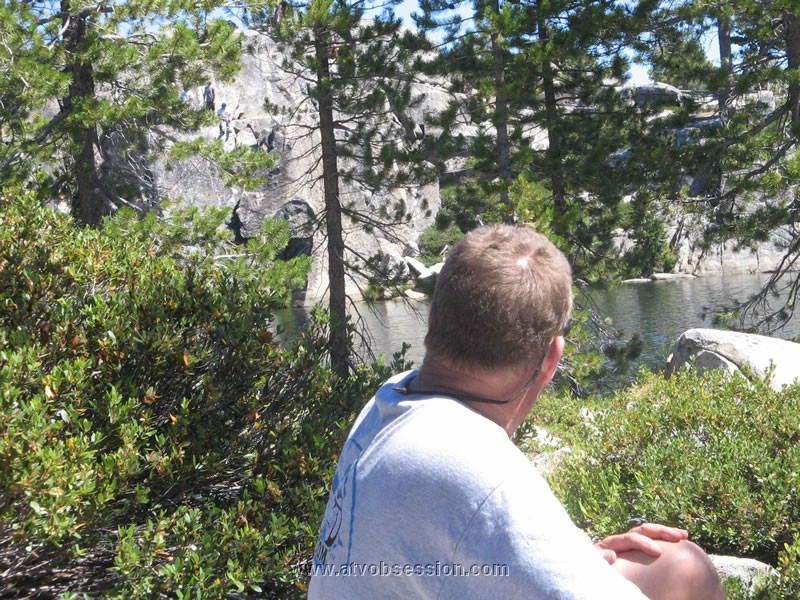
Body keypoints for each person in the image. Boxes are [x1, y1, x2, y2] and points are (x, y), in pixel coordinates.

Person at [308, 224, 725, 599]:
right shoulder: (473, 466)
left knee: (674, 566)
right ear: (552, 357)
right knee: (689, 571)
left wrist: (575, 561)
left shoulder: (390, 400)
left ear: (436, 322)